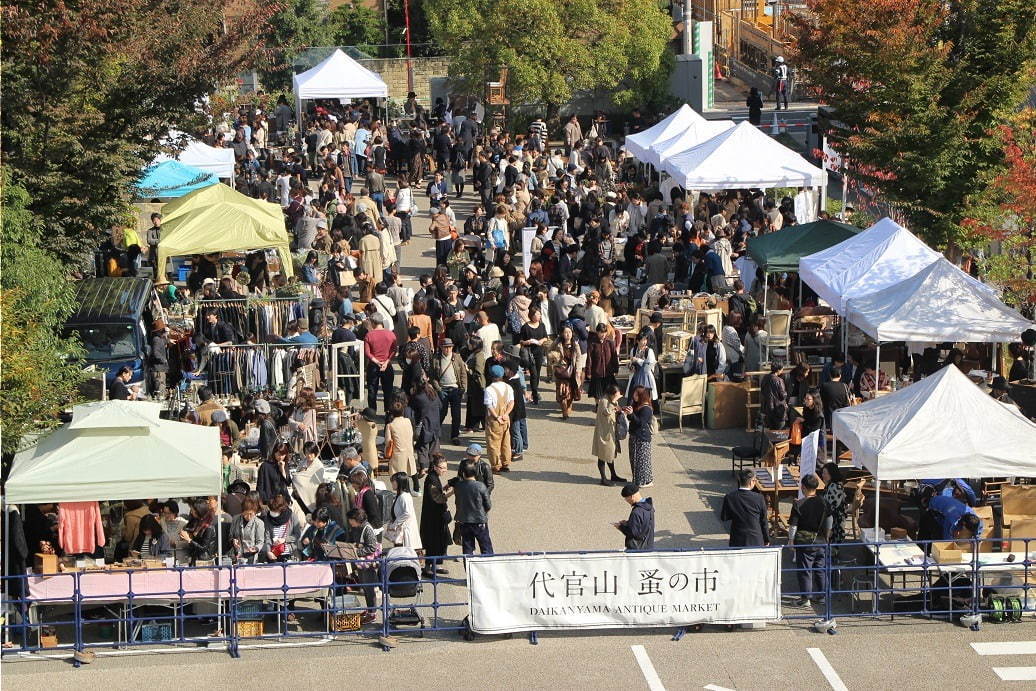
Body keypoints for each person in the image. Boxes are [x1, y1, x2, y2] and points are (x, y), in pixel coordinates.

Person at [787, 474, 831, 606]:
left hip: (804, 543)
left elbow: (793, 525)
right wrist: (827, 536)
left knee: (805, 570)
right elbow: (829, 520)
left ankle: (806, 598)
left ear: (803, 487)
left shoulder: (798, 504)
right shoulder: (824, 502)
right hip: (821, 540)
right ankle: (823, 596)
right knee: (820, 568)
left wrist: (790, 540)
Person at [345, 508, 382, 624]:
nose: (350, 522)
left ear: (357, 519)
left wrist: (356, 552)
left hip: (368, 564)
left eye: (351, 520)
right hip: (362, 564)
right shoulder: (358, 528)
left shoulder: (367, 529)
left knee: (369, 588)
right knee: (365, 587)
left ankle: (372, 614)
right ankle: (370, 609)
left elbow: (371, 547)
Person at [420, 454, 452, 577]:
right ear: (435, 467)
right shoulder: (432, 479)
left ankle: (435, 565)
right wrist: (451, 493)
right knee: (432, 542)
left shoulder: (434, 477)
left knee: (439, 541)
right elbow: (438, 498)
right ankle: (428, 568)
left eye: (446, 467)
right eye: (442, 468)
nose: (445, 470)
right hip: (432, 517)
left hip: (435, 515)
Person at [720, 470, 770, 547]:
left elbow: (724, 517)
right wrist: (766, 539)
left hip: (737, 539)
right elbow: (764, 521)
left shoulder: (730, 497)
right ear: (751, 482)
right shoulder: (759, 498)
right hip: (756, 539)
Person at [431, 338, 466, 445]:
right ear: (441, 347)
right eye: (445, 347)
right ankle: (435, 433)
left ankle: (455, 436)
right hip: (443, 389)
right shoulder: (436, 359)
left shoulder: (457, 358)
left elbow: (463, 374)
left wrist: (463, 388)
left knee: (456, 415)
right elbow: (433, 377)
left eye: (450, 347)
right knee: (442, 412)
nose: (448, 349)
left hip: (455, 389)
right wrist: (439, 389)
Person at [592, 384, 628, 486]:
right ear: (611, 394)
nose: (617, 397)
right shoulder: (603, 401)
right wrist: (613, 402)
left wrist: (620, 410)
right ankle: (603, 478)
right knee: (602, 455)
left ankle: (613, 475)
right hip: (603, 433)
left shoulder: (611, 400)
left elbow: (614, 410)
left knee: (610, 454)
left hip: (610, 431)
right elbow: (606, 412)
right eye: (616, 395)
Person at [454, 463, 493, 555]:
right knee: (486, 547)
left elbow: (457, 503)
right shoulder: (480, 486)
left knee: (468, 548)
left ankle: (469, 568)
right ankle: (488, 567)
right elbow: (488, 505)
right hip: (479, 521)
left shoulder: (458, 486)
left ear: (463, 474)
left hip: (464, 521)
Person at [483, 364, 514, 472]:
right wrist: (506, 414)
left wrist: (497, 417)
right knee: (506, 442)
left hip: (494, 420)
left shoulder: (489, 389)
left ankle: (496, 466)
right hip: (505, 418)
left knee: (493, 443)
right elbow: (511, 402)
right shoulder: (508, 387)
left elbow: (489, 406)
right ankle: (506, 463)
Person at [364, 312, 397, 412]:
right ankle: (388, 412)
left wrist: (376, 361)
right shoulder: (391, 334)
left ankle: (372, 413)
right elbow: (394, 350)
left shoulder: (369, 335)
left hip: (373, 366)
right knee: (388, 391)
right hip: (387, 366)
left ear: (373, 323)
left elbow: (367, 353)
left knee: (372, 390)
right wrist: (386, 362)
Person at [383, 472, 422, 551]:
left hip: (404, 531)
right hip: (401, 530)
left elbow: (407, 513)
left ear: (399, 482)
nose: (392, 483)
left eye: (394, 481)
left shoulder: (404, 496)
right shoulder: (402, 495)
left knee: (404, 551)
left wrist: (395, 523)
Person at [625, 385, 655, 488]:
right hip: (635, 436)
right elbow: (632, 419)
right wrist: (629, 412)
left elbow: (640, 423)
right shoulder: (637, 405)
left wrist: (632, 414)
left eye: (636, 395)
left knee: (642, 461)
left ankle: (646, 481)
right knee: (635, 460)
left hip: (642, 438)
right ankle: (637, 480)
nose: (634, 396)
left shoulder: (646, 409)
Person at [519, 306, 549, 404]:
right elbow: (520, 341)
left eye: (540, 314)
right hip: (529, 353)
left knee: (538, 374)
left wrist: (541, 341)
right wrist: (526, 342)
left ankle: (534, 392)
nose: (539, 316)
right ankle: (535, 395)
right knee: (534, 374)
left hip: (539, 352)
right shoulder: (525, 327)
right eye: (537, 314)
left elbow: (545, 337)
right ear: (531, 315)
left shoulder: (542, 325)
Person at [551, 324, 582, 419]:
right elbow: (549, 351)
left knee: (570, 392)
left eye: (569, 332)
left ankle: (568, 406)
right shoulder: (558, 343)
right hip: (561, 371)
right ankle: (564, 411)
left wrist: (578, 370)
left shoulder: (575, 344)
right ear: (562, 334)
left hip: (572, 372)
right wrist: (555, 358)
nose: (568, 334)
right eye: (565, 332)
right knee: (562, 393)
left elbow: (579, 358)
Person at [614, 484, 655, 550]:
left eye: (626, 498)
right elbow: (644, 524)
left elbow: (633, 533)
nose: (626, 501)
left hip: (637, 550)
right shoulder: (649, 506)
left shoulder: (636, 512)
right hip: (648, 546)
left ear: (632, 496)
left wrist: (620, 527)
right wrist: (629, 523)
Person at [384, 399, 418, 479]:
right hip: (409, 451)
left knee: (400, 478)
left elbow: (388, 442)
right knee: (412, 470)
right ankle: (417, 488)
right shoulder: (408, 421)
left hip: (398, 455)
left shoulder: (390, 425)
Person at [263, 493, 301, 562]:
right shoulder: (268, 518)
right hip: (274, 554)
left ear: (281, 509)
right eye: (271, 510)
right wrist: (268, 551)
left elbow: (297, 534)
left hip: (290, 554)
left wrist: (285, 539)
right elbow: (267, 537)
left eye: (275, 511)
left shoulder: (292, 516)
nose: (272, 513)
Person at [180, 499, 218, 565]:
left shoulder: (209, 526)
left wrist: (189, 539)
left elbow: (203, 548)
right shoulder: (198, 522)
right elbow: (196, 538)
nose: (191, 512)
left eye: (192, 510)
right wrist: (188, 535)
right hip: (196, 558)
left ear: (199, 511)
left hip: (205, 561)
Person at [229, 498, 265, 563]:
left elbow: (260, 541)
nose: (248, 517)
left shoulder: (259, 523)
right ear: (242, 511)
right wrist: (233, 540)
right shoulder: (235, 519)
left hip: (252, 556)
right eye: (245, 514)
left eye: (251, 514)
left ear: (254, 512)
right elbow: (231, 536)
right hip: (237, 555)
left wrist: (256, 548)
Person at [626, 329, 658, 402]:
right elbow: (631, 362)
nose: (644, 342)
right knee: (632, 396)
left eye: (645, 340)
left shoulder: (649, 351)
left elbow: (650, 364)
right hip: (636, 375)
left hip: (646, 376)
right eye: (643, 340)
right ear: (638, 341)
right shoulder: (633, 350)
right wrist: (631, 367)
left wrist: (638, 360)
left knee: (645, 396)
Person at [820, 463, 847, 546]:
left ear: (832, 474)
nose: (823, 475)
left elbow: (830, 508)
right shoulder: (830, 485)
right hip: (831, 522)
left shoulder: (834, 487)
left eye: (825, 473)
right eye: (823, 473)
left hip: (834, 525)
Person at [760, 362, 789, 430]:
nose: (782, 371)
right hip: (778, 409)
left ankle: (771, 441)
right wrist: (786, 393)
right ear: (778, 370)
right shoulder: (779, 380)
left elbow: (762, 391)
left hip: (767, 407)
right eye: (782, 369)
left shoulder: (765, 378)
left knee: (771, 430)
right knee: (779, 432)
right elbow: (782, 395)